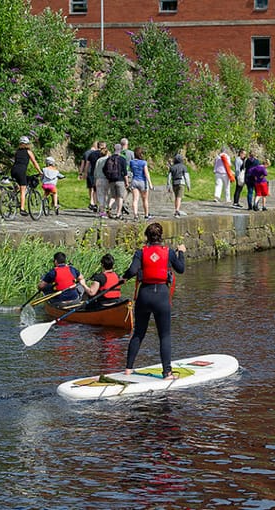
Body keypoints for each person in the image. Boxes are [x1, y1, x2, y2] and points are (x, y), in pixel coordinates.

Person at [121, 222, 186, 379]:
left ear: (147, 237)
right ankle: (167, 372)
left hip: (144, 295)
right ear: (161, 236)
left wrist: (124, 277)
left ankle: (128, 369)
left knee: (138, 333)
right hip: (161, 296)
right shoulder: (169, 252)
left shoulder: (140, 252)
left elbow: (132, 270)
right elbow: (181, 269)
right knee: (164, 336)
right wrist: (181, 253)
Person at [11, 136, 41, 215]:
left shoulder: (16, 152)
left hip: (13, 170)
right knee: (23, 189)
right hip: (21, 171)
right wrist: (40, 171)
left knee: (17, 186)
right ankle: (22, 209)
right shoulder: (28, 152)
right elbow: (34, 162)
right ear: (27, 144)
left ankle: (12, 197)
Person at [103, 143, 129, 219]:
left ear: (114, 149)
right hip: (120, 180)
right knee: (120, 197)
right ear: (120, 150)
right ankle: (118, 214)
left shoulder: (109, 159)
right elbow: (125, 172)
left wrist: (108, 177)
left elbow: (104, 169)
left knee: (113, 197)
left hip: (111, 180)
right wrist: (127, 182)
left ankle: (109, 207)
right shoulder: (122, 159)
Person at [129, 147, 153, 220]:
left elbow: (131, 171)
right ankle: (146, 215)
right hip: (142, 181)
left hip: (134, 181)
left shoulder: (131, 162)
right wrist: (150, 183)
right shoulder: (143, 162)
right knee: (145, 199)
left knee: (135, 199)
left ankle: (135, 215)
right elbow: (146, 173)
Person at [168, 153, 190, 217]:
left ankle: (176, 209)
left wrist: (168, 185)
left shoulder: (172, 167)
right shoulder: (183, 167)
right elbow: (186, 177)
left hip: (174, 183)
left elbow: (169, 177)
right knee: (179, 197)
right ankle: (177, 211)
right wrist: (188, 185)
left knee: (176, 197)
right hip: (181, 183)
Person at [93, 143, 111, 217]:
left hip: (99, 179)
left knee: (100, 195)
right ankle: (107, 210)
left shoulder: (99, 160)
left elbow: (95, 171)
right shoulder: (109, 159)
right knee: (107, 195)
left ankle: (102, 212)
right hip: (107, 179)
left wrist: (95, 180)